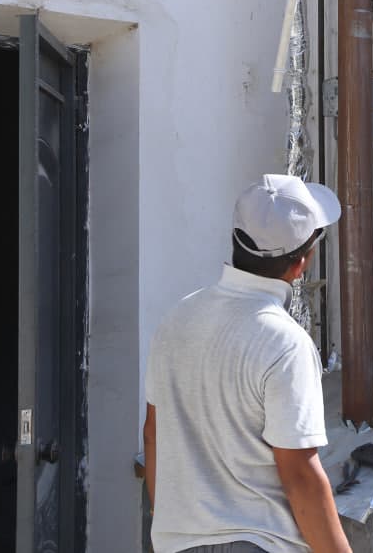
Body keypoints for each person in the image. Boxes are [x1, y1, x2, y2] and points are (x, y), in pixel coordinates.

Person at [143, 174, 352, 552]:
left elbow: (153, 435)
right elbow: (301, 474)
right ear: (300, 264)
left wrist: (179, 531)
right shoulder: (285, 343)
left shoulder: (177, 319)